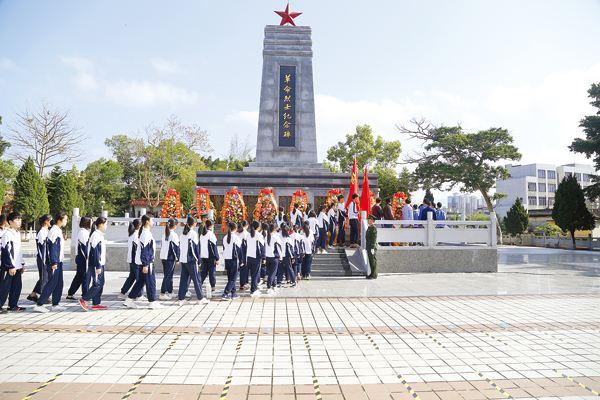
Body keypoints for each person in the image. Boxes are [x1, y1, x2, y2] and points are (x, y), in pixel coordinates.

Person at [124, 214, 163, 309]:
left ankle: (129, 300)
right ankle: (152, 302)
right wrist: (146, 264)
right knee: (151, 281)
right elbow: (145, 250)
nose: (153, 222)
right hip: (146, 263)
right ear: (147, 222)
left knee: (140, 282)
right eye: (152, 220)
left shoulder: (145, 233)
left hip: (144, 262)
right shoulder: (146, 234)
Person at [33, 212, 68, 313]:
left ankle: (55, 304)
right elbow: (53, 248)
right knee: (51, 283)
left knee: (59, 283)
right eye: (65, 219)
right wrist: (54, 262)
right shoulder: (54, 231)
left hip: (58, 261)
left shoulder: (57, 230)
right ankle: (39, 304)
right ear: (59, 220)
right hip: (54, 262)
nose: (66, 221)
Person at [178, 216, 208, 306]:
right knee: (197, 279)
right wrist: (198, 260)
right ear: (194, 224)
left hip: (183, 259)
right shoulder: (193, 234)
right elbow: (195, 248)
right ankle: (200, 298)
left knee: (184, 279)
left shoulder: (182, 234)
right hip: (191, 260)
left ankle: (181, 298)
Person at [79, 217, 108, 311]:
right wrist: (98, 266)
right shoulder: (96, 235)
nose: (106, 226)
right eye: (106, 224)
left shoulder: (99, 235)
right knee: (97, 284)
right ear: (101, 224)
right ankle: (84, 299)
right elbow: (94, 252)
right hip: (96, 264)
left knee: (101, 283)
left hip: (100, 264)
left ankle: (96, 303)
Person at [0, 212, 25, 312]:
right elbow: (6, 251)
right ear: (10, 222)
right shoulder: (7, 234)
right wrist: (10, 266)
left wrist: (22, 264)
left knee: (16, 286)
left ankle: (13, 305)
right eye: (17, 219)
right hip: (9, 266)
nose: (19, 221)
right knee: (4, 287)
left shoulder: (17, 233)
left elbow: (19, 250)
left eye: (20, 219)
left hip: (17, 266)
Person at [66, 216, 91, 300]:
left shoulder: (84, 232)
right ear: (86, 222)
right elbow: (84, 248)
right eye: (90, 221)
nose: (91, 223)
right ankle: (85, 295)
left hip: (80, 258)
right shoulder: (83, 233)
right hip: (83, 258)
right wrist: (88, 258)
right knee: (85, 277)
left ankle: (70, 293)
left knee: (79, 277)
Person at [28, 214, 52, 302]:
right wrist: (45, 260)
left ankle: (33, 294)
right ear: (46, 221)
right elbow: (41, 248)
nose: (51, 222)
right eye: (50, 220)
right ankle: (43, 296)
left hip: (46, 258)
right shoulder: (42, 232)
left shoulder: (47, 231)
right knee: (44, 278)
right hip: (43, 259)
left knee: (44, 277)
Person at [118, 219, 142, 299]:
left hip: (132, 259)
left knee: (132, 277)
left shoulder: (132, 234)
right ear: (139, 226)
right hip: (135, 260)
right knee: (139, 278)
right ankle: (139, 295)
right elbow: (135, 250)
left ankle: (122, 293)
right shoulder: (136, 235)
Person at [159, 219, 180, 300]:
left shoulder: (164, 234)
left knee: (168, 275)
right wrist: (178, 258)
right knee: (168, 276)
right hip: (170, 258)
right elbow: (175, 248)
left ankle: (170, 292)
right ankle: (162, 293)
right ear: (175, 226)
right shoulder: (173, 235)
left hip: (164, 257)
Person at [222, 222, 242, 300]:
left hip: (227, 259)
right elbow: (239, 251)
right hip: (234, 260)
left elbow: (224, 249)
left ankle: (233, 293)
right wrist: (242, 260)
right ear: (236, 228)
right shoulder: (236, 238)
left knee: (230, 277)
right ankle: (225, 293)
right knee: (233, 278)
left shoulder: (224, 237)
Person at [200, 219, 219, 298]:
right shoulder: (211, 234)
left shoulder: (202, 234)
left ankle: (198, 284)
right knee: (212, 272)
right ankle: (213, 287)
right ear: (211, 226)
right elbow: (214, 247)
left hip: (203, 256)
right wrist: (217, 257)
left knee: (203, 272)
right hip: (210, 257)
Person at [246, 220, 265, 297]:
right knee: (255, 274)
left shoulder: (248, 234)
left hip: (249, 256)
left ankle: (254, 288)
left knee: (253, 274)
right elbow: (262, 247)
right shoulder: (259, 235)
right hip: (256, 257)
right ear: (258, 227)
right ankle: (253, 290)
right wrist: (263, 257)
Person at [264, 223, 282, 296]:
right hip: (274, 257)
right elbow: (279, 248)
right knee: (272, 273)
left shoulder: (266, 236)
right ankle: (269, 287)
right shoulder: (275, 237)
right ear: (274, 229)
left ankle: (274, 286)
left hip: (267, 257)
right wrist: (281, 257)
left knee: (271, 273)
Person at [237, 221, 249, 291]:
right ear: (246, 226)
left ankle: (243, 283)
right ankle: (243, 283)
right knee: (244, 269)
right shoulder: (246, 233)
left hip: (236, 252)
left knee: (240, 268)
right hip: (243, 252)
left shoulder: (237, 232)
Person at [365, 215, 378, 280]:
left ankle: (374, 274)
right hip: (369, 246)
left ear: (372, 220)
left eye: (369, 220)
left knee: (373, 261)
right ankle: (372, 274)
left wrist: (372, 248)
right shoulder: (369, 227)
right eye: (368, 220)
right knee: (371, 261)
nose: (368, 221)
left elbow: (374, 239)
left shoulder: (373, 228)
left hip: (372, 247)